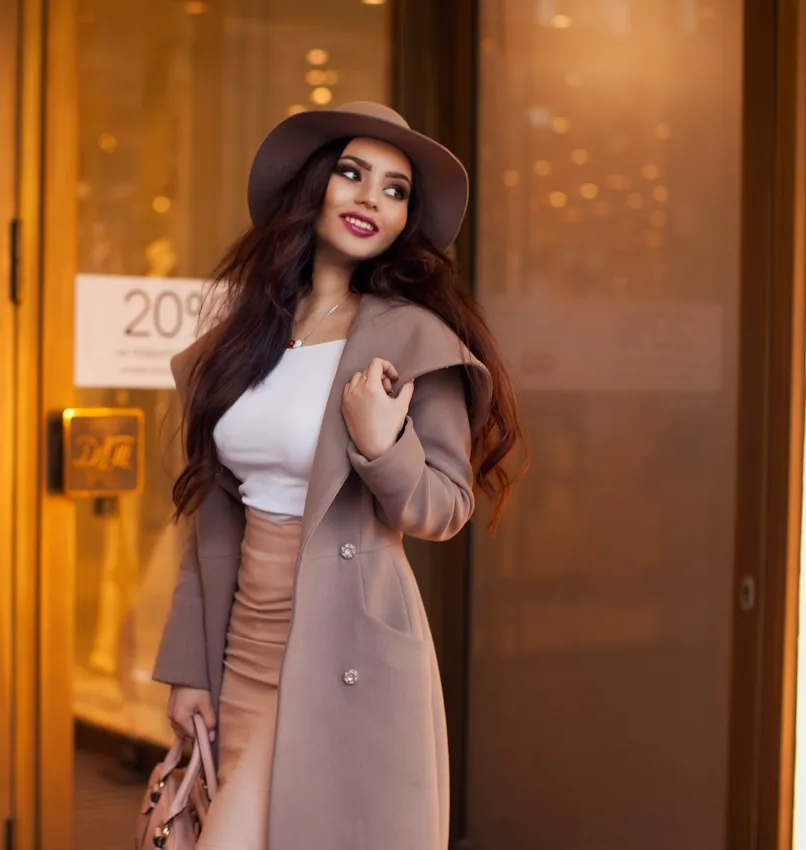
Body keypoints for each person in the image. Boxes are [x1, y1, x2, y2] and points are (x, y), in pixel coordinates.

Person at [151, 102, 524, 850]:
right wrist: (189, 666)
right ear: (314, 185)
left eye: (394, 190)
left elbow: (444, 507)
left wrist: (383, 445)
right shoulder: (247, 339)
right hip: (242, 649)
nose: (369, 200)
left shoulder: (414, 338)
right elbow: (214, 513)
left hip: (346, 652)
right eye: (352, 174)